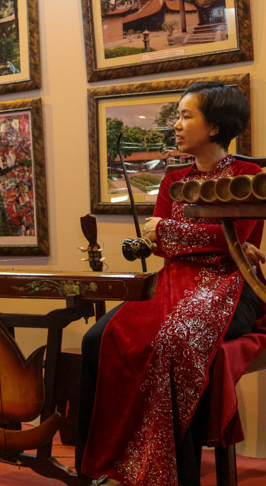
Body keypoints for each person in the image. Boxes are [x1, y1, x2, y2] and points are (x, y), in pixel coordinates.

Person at [77, 82, 266, 486]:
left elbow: (232, 246)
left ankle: (176, 473)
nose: (176, 125)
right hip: (173, 282)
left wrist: (173, 231)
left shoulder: (248, 175)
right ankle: (110, 463)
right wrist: (202, 238)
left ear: (214, 126)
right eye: (177, 116)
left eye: (186, 116)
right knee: (98, 338)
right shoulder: (173, 178)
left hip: (230, 287)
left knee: (177, 341)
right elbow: (164, 244)